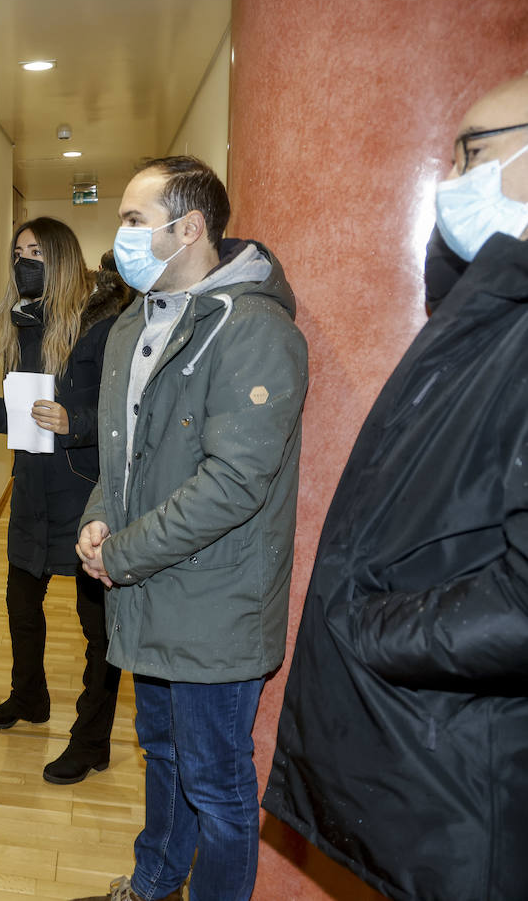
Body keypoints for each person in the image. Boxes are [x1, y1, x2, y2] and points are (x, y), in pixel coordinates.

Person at [263, 74, 528, 901]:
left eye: (474, 154)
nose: (454, 180)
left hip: (467, 770)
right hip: (437, 763)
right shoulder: (487, 313)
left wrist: (363, 627)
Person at [73, 156, 308, 901]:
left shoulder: (255, 331)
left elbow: (236, 482)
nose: (120, 238)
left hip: (214, 599)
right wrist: (98, 518)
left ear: (190, 227)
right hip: (145, 584)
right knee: (162, 752)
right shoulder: (127, 330)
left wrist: (125, 554)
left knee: (216, 782)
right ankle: (153, 883)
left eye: (134, 220)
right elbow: (122, 452)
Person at [0, 223, 130, 785]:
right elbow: (26, 418)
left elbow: (126, 416)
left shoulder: (106, 326)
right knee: (21, 605)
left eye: (38, 253)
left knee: (98, 629)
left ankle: (92, 738)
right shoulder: (22, 325)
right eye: (19, 253)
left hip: (85, 491)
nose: (26, 262)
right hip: (32, 489)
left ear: (65, 260)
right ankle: (29, 697)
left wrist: (76, 424)